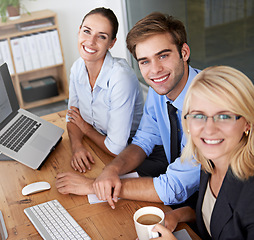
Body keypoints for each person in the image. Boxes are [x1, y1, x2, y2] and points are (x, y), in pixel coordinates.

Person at [56, 12, 200, 209]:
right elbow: (144, 139)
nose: (155, 70)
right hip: (183, 198)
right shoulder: (160, 90)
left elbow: (175, 187)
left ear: (184, 53)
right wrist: (111, 170)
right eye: (144, 61)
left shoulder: (206, 107)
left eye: (163, 56)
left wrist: (94, 186)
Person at [150, 66, 254, 240]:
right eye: (199, 115)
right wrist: (179, 215)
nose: (209, 129)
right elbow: (217, 217)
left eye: (224, 116)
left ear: (247, 123)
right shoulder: (211, 161)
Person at [66, 7, 143, 172]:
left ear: (111, 43)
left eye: (101, 36)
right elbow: (73, 118)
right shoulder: (77, 68)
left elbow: (116, 149)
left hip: (132, 153)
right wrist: (77, 146)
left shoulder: (120, 78)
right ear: (79, 32)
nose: (91, 41)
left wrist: (85, 128)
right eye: (87, 31)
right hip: (98, 143)